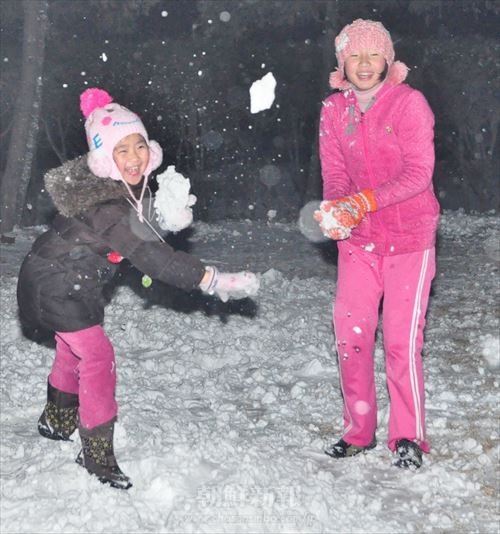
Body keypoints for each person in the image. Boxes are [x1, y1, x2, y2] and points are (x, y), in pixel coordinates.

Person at [17, 88, 259, 489]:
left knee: (70, 348)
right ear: (103, 159)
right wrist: (211, 279)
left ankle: (56, 421)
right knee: (97, 356)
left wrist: (169, 218)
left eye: (140, 146)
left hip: (61, 278)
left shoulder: (119, 188)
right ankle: (95, 453)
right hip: (57, 283)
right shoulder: (107, 204)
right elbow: (150, 256)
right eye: (122, 150)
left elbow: (139, 234)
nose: (134, 158)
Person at [314, 19, 439, 469]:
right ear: (342, 62)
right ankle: (358, 431)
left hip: (410, 239)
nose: (364, 65)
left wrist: (361, 201)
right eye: (354, 56)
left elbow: (418, 174)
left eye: (373, 55)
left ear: (388, 59)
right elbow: (335, 173)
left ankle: (407, 436)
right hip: (359, 242)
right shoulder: (334, 110)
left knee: (402, 343)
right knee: (351, 338)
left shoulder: (409, 104)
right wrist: (335, 211)